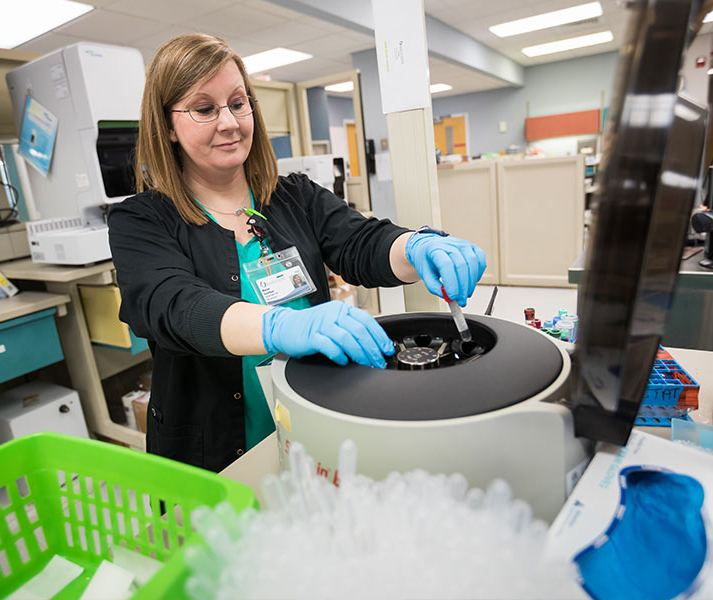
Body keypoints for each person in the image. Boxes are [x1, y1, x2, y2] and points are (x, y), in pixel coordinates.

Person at [108, 33, 486, 472]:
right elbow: (175, 305)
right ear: (168, 126)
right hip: (212, 456)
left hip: (313, 427)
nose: (229, 122)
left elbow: (360, 242)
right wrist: (279, 325)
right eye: (205, 109)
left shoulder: (292, 196)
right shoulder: (141, 220)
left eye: (237, 102)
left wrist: (418, 246)